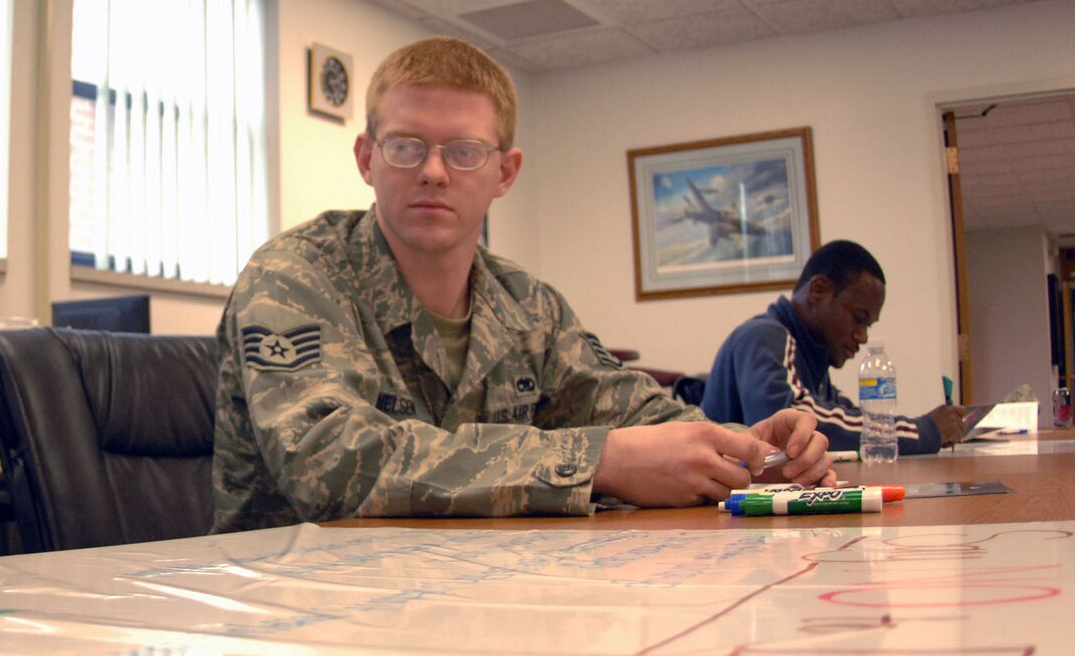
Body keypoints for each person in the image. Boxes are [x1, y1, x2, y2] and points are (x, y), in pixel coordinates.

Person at [211, 37, 831, 532]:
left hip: (473, 597)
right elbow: (330, 463)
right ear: (366, 158)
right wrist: (598, 461)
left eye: (463, 152)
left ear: (505, 172)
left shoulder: (527, 305)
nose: (432, 171)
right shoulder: (294, 276)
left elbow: (626, 407)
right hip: (292, 611)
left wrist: (745, 453)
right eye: (406, 146)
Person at [701, 239, 965, 453]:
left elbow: (844, 416)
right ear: (818, 290)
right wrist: (924, 430)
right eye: (858, 319)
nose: (862, 337)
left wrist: (918, 429)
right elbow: (794, 423)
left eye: (868, 326)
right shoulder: (763, 336)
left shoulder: (812, 354)